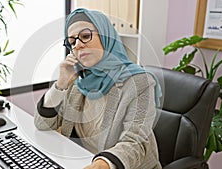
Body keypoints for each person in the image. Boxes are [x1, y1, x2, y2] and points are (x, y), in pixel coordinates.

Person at [34, 8, 162, 169]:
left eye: (85, 36)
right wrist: (61, 83)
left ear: (105, 35)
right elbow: (42, 124)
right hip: (81, 161)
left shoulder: (139, 82)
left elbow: (135, 142)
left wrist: (102, 164)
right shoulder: (79, 80)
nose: (78, 45)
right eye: (72, 42)